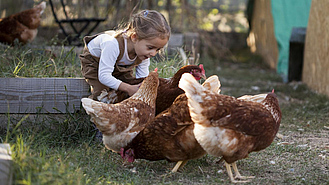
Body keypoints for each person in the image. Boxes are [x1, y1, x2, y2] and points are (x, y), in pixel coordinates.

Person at [80, 10, 171, 100]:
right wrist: (128, 88)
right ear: (134, 37)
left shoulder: (144, 54)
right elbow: (104, 76)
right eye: (150, 47)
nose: (153, 53)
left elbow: (141, 79)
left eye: (158, 49)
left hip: (119, 66)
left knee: (129, 86)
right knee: (102, 94)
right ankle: (92, 108)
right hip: (95, 63)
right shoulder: (112, 44)